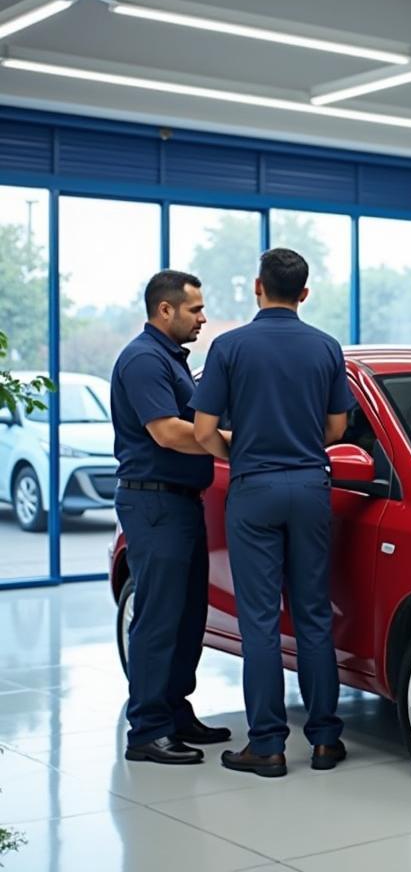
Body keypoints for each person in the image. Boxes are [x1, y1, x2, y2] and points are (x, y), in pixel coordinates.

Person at [191, 248, 353, 778]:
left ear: (257, 286)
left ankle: (267, 744)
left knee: (259, 621)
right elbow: (336, 431)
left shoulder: (229, 346)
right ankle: (327, 740)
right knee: (312, 615)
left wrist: (237, 453)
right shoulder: (327, 348)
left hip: (254, 488)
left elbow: (201, 429)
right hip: (311, 487)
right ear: (304, 293)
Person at [111, 270, 232, 765]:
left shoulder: (171, 360)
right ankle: (147, 731)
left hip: (180, 501)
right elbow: (167, 432)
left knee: (186, 618)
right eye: (195, 309)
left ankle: (175, 713)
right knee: (159, 619)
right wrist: (237, 446)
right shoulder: (143, 360)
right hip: (154, 502)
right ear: (165, 310)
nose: (203, 318)